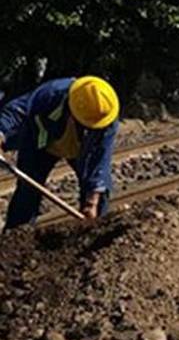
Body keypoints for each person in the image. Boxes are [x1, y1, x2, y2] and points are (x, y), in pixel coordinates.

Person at [0, 76, 120, 228]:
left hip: (81, 151)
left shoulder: (106, 117)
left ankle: (92, 236)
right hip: (41, 143)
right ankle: (15, 237)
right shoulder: (52, 93)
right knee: (27, 191)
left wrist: (92, 201)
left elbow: (100, 160)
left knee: (99, 194)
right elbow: (17, 111)